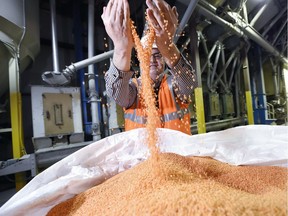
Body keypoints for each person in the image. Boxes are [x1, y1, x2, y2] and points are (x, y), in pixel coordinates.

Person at [101, 0, 197, 135]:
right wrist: (122, 49)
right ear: (140, 59)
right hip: (143, 155)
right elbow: (115, 91)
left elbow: (188, 81)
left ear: (164, 60)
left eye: (158, 55)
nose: (152, 60)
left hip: (177, 154)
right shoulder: (133, 91)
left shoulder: (173, 86)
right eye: (147, 56)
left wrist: (168, 48)